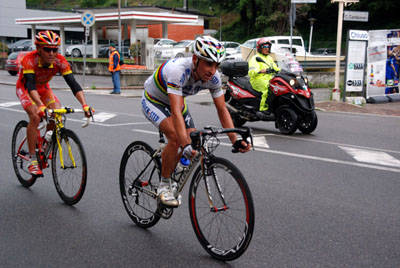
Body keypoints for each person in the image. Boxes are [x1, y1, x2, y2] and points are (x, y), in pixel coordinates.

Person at [141, 35, 251, 207]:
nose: (212, 70)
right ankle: (164, 184)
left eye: (216, 65)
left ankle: (175, 169)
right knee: (177, 138)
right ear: (195, 59)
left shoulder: (214, 79)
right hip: (154, 100)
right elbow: (176, 111)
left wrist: (235, 140)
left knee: (194, 139)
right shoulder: (178, 71)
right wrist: (183, 144)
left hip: (177, 102)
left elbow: (222, 109)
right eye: (208, 63)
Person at [16, 30, 94, 176]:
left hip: (44, 89)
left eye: (55, 49)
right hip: (26, 89)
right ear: (38, 49)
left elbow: (73, 84)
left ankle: (45, 143)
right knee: (35, 116)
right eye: (47, 49)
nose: (51, 53)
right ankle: (32, 160)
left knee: (56, 114)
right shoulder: (29, 60)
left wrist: (85, 105)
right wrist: (40, 105)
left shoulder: (60, 61)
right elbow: (31, 86)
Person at [248, 38, 280, 120]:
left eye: (268, 46)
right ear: (259, 47)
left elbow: (276, 68)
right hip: (258, 79)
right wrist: (259, 71)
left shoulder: (269, 58)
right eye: (265, 46)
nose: (267, 48)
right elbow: (251, 71)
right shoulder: (255, 58)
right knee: (268, 88)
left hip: (269, 78)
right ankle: (263, 109)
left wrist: (281, 70)